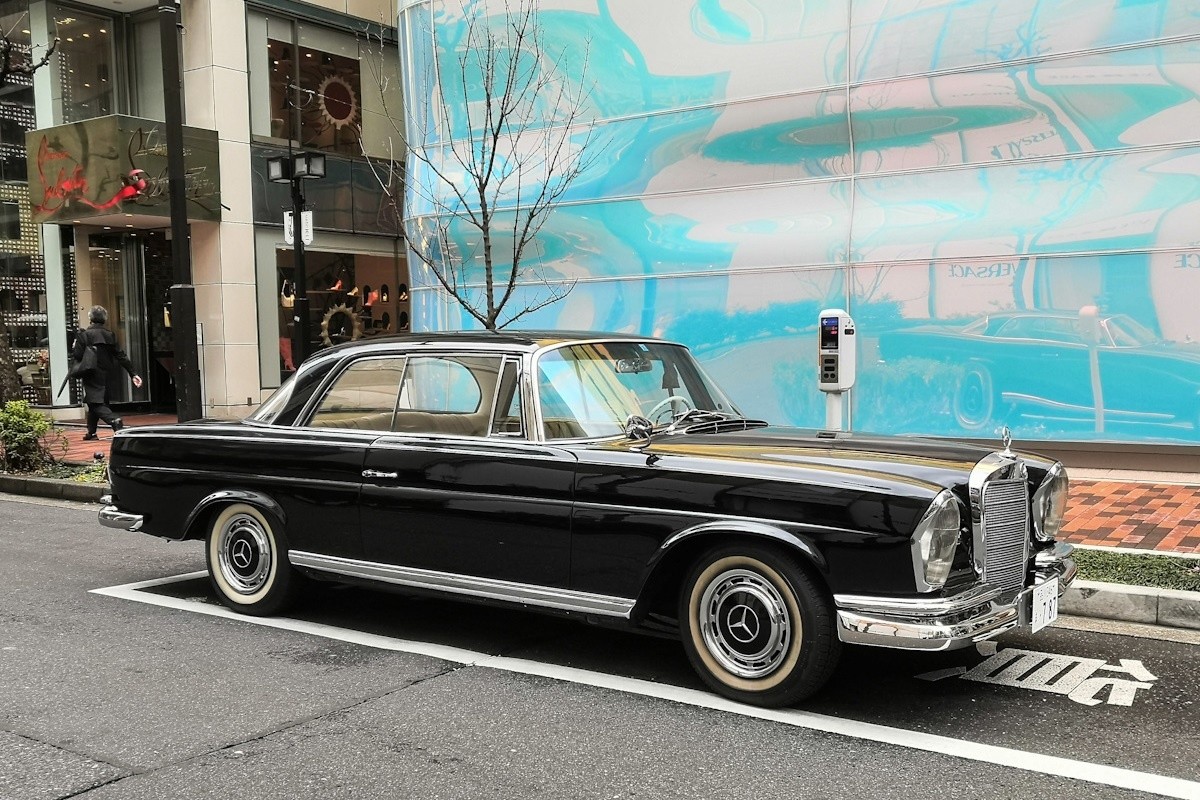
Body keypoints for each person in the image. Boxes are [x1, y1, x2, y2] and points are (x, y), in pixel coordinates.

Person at [73, 306, 142, 440]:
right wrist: (133, 373)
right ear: (105, 319)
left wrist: (75, 345)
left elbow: (77, 355)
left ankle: (114, 420)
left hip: (91, 372)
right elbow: (121, 355)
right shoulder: (110, 334)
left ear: (90, 318)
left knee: (94, 402)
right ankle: (91, 433)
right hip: (108, 373)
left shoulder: (84, 335)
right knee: (98, 401)